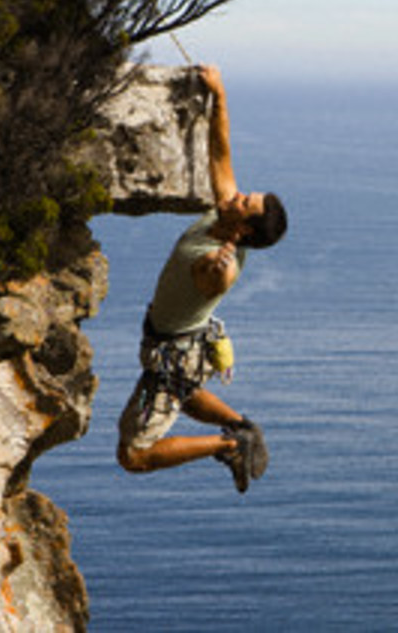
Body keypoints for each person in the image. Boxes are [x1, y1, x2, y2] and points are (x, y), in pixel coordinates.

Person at [116, 65, 288, 493]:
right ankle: (242, 427)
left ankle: (226, 446)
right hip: (183, 349)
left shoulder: (222, 263)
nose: (239, 194)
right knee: (186, 395)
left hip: (174, 352)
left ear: (244, 229)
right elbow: (220, 154)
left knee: (133, 455)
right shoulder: (222, 213)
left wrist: (217, 269)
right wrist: (220, 95)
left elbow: (216, 281)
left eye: (246, 201)